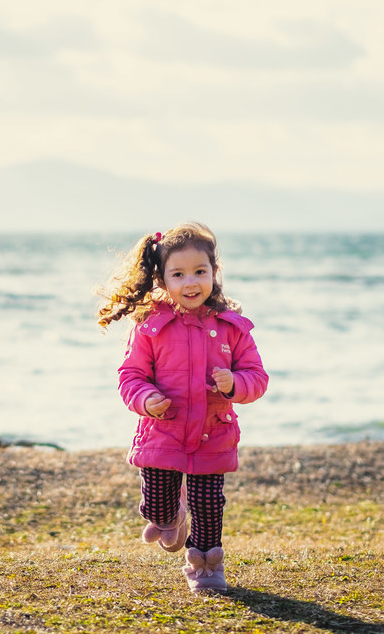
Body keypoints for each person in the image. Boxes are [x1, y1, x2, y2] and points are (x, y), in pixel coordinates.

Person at [98, 223, 268, 593]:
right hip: (162, 433)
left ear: (213, 272)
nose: (191, 282)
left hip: (213, 433)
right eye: (179, 274)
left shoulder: (232, 327)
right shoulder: (150, 326)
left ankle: (206, 564)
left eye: (199, 272)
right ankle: (169, 515)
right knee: (157, 510)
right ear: (162, 280)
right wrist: (146, 400)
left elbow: (257, 377)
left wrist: (235, 384)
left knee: (209, 505)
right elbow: (130, 376)